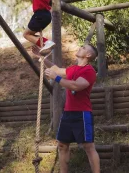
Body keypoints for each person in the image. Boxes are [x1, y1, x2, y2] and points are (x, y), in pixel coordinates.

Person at [34, 44, 100, 173]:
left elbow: (75, 86)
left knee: (88, 146)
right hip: (68, 113)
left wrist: (56, 78)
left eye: (83, 47)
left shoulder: (89, 71)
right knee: (62, 145)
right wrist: (42, 58)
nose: (80, 47)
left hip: (82, 113)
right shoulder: (73, 69)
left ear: (88, 55)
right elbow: (57, 70)